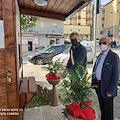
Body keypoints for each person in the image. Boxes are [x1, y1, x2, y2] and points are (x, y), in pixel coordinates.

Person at [91, 36, 120, 120]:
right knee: (102, 109)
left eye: (104, 43)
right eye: (100, 43)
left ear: (109, 44)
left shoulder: (113, 57)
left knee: (108, 111)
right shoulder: (100, 55)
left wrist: (111, 90)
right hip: (99, 86)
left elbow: (116, 75)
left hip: (108, 88)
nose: (101, 45)